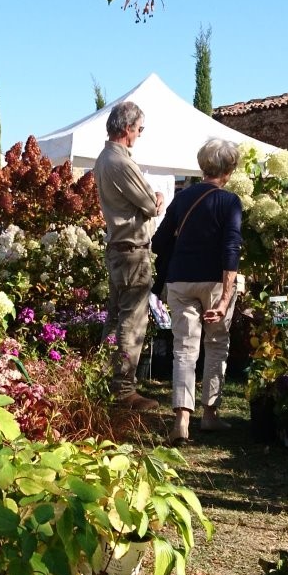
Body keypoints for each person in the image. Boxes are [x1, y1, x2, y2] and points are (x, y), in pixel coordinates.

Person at [153, 139, 245, 444]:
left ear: (202, 165)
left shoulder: (182, 199)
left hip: (180, 280)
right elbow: (231, 247)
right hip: (215, 281)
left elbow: (160, 240)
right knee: (217, 344)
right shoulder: (229, 201)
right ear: (229, 169)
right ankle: (209, 415)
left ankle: (181, 421)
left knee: (184, 348)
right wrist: (225, 296)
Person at [95, 100, 164, 411]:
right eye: (139, 128)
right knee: (132, 321)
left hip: (117, 248)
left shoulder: (104, 158)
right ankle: (124, 389)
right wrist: (159, 197)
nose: (139, 134)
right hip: (132, 251)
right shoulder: (120, 162)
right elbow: (150, 205)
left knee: (114, 318)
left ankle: (99, 378)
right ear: (126, 128)